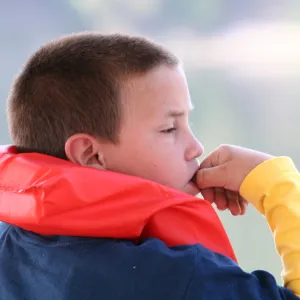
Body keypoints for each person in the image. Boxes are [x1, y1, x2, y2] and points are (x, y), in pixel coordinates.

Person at [0, 32, 299, 300]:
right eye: (170, 129)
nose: (196, 147)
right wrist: (275, 183)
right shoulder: (181, 278)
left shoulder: (7, 242)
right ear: (91, 155)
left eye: (188, 122)